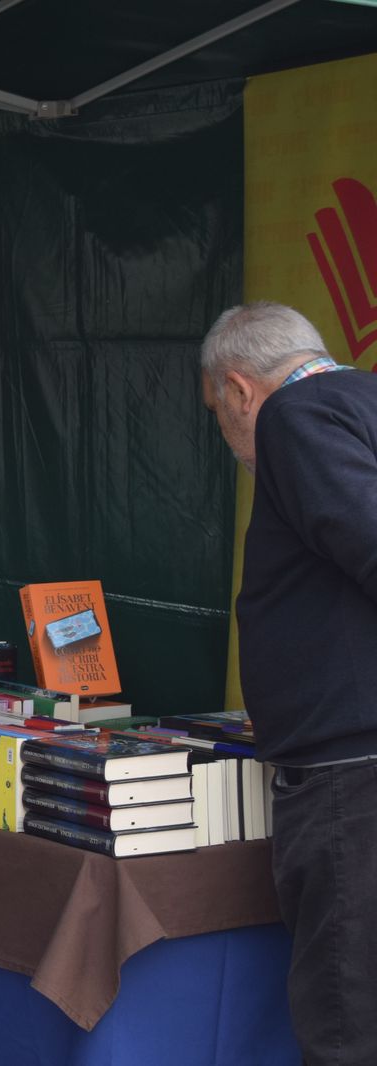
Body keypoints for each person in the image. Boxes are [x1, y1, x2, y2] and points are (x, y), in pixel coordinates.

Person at [200, 301, 377, 1065]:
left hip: (349, 773)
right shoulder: (362, 399)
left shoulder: (295, 414)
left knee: (346, 1012)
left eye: (218, 412)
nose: (230, 433)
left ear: (239, 390)